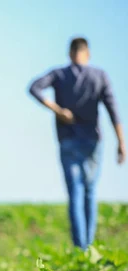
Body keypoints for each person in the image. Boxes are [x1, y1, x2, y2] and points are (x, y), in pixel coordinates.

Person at [29, 37, 125, 249]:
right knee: (90, 192)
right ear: (87, 53)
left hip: (68, 139)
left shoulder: (59, 74)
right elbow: (113, 110)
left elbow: (34, 88)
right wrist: (121, 142)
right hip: (93, 140)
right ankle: (88, 247)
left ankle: (80, 248)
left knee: (75, 193)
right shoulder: (100, 76)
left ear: (70, 53)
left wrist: (57, 110)